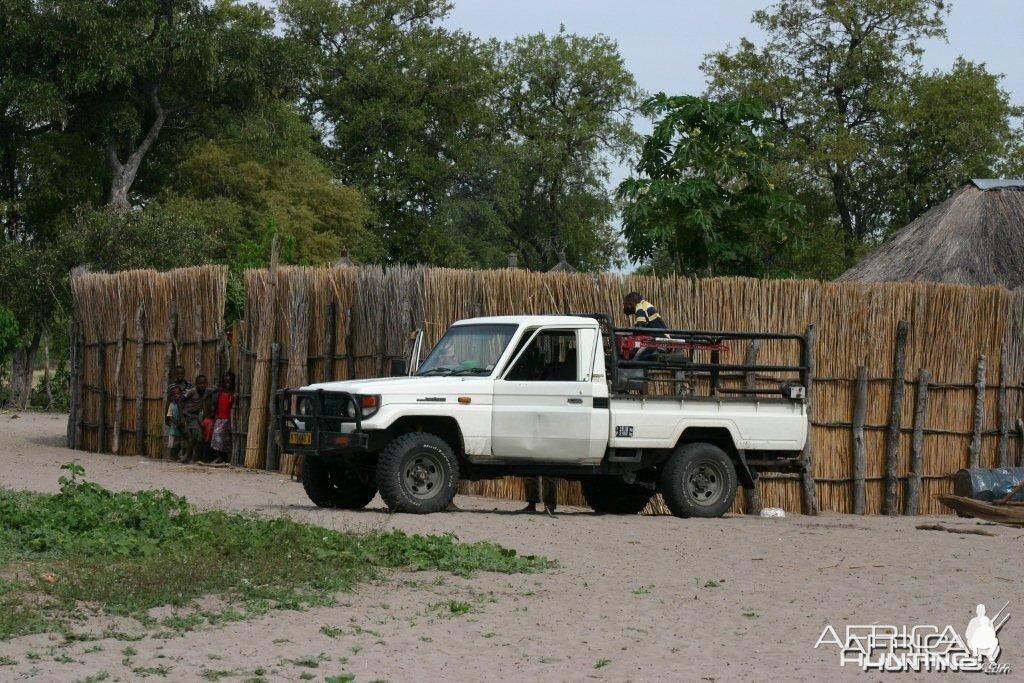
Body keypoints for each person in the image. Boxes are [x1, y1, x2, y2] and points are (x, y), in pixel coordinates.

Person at [179, 374, 212, 463]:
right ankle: (189, 456)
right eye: (200, 383)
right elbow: (181, 401)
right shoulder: (191, 392)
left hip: (197, 417)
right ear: (196, 384)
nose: (202, 385)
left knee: (198, 437)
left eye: (204, 383)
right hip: (188, 415)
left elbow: (216, 390)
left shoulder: (207, 391)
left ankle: (192, 456)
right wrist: (182, 416)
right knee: (195, 435)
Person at [208, 372, 236, 464]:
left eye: (229, 382)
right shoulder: (220, 392)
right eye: (225, 382)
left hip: (228, 419)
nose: (227, 384)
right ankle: (219, 457)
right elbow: (215, 404)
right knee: (216, 438)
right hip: (219, 418)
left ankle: (223, 457)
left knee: (225, 439)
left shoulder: (232, 394)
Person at [164, 386, 183, 461]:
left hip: (180, 428)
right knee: (171, 443)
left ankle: (176, 456)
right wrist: (176, 422)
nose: (176, 395)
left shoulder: (182, 404)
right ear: (172, 396)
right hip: (173, 427)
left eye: (177, 393)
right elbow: (169, 416)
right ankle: (170, 456)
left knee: (178, 443)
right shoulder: (171, 405)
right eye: (174, 394)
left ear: (181, 394)